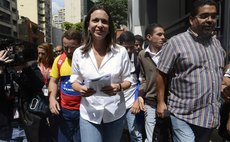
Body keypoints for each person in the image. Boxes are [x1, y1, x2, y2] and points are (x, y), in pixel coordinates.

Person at [156, 0, 228, 141]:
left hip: (208, 116)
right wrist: (160, 102)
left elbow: (219, 73)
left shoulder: (217, 44)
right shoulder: (175, 43)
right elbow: (160, 73)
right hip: (182, 114)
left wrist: (224, 86)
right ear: (191, 19)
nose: (210, 20)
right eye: (204, 16)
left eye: (213, 16)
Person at [69, 4, 132, 142]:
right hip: (89, 113)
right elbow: (74, 80)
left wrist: (118, 87)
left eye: (104, 21)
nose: (99, 25)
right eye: (95, 20)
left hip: (115, 112)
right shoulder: (79, 53)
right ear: (88, 25)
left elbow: (129, 80)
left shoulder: (120, 52)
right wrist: (80, 89)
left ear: (109, 27)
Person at [49, 28, 82, 142]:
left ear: (80, 44)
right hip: (64, 112)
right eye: (65, 47)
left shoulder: (88, 60)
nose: (68, 50)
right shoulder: (59, 60)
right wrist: (52, 98)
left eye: (72, 47)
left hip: (84, 112)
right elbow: (53, 81)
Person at [137, 23, 167, 142]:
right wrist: (140, 96)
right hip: (150, 100)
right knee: (150, 135)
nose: (163, 37)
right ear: (149, 37)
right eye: (159, 34)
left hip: (169, 100)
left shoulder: (169, 52)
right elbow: (143, 77)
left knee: (167, 133)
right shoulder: (142, 55)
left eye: (164, 34)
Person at [117, 31, 143, 142]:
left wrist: (137, 99)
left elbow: (142, 82)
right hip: (116, 105)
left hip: (132, 104)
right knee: (117, 134)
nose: (128, 51)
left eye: (131, 47)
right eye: (125, 47)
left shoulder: (138, 60)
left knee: (135, 134)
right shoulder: (112, 59)